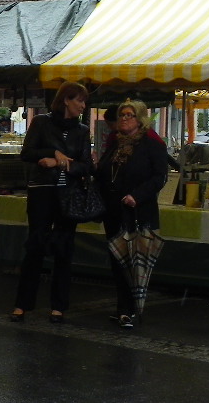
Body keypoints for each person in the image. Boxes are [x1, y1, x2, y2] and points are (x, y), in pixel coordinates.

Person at [10, 81, 92, 324]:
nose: (83, 106)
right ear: (66, 99)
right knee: (35, 245)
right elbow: (27, 153)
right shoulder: (41, 122)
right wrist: (51, 152)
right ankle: (22, 304)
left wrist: (59, 163)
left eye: (84, 102)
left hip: (68, 194)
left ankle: (58, 306)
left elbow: (86, 166)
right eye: (79, 100)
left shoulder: (82, 131)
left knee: (64, 247)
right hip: (42, 191)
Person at [96, 100, 168, 328]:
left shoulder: (151, 144)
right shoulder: (115, 143)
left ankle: (129, 309)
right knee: (118, 259)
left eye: (130, 115)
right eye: (122, 115)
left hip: (136, 210)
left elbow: (160, 176)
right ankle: (123, 307)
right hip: (113, 210)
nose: (124, 119)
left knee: (134, 260)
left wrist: (137, 195)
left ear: (140, 119)